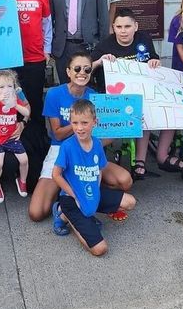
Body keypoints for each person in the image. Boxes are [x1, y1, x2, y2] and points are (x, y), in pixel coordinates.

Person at [28, 51, 133, 225]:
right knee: (36, 212)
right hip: (61, 149)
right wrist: (80, 122)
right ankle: (67, 198)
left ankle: (82, 199)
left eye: (87, 69)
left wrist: (128, 125)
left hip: (87, 151)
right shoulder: (55, 94)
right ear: (68, 71)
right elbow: (57, 133)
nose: (82, 73)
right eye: (77, 68)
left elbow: (99, 138)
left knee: (125, 181)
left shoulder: (94, 97)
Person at [52, 98, 138, 257]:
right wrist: (75, 195)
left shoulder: (97, 144)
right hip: (71, 198)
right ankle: (64, 213)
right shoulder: (67, 146)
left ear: (94, 122)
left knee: (130, 202)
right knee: (100, 249)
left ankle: (83, 216)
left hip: (90, 191)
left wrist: (95, 195)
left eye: (84, 123)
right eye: (75, 123)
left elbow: (99, 171)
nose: (79, 128)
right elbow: (55, 175)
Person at [0, 0, 53, 185]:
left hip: (35, 58)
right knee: (12, 104)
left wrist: (47, 50)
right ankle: (13, 148)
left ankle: (38, 148)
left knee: (35, 104)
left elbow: (48, 25)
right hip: (11, 60)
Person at [92, 8, 161, 181]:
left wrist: (154, 61)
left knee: (145, 113)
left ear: (135, 26)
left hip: (140, 91)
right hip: (114, 95)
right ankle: (95, 157)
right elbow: (87, 68)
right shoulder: (105, 45)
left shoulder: (144, 39)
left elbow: (154, 58)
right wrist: (99, 62)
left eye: (127, 26)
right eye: (119, 26)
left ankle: (140, 161)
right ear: (113, 27)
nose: (123, 31)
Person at [49, 0, 110, 82]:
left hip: (88, 47)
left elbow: (104, 19)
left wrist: (102, 46)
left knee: (87, 86)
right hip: (63, 49)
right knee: (66, 87)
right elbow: (49, 20)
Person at [0, 69, 31, 203]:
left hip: (11, 138)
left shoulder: (15, 99)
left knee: (24, 160)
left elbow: (26, 112)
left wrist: (16, 105)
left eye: (10, 86)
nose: (6, 90)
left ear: (14, 88)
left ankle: (22, 181)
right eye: (2, 87)